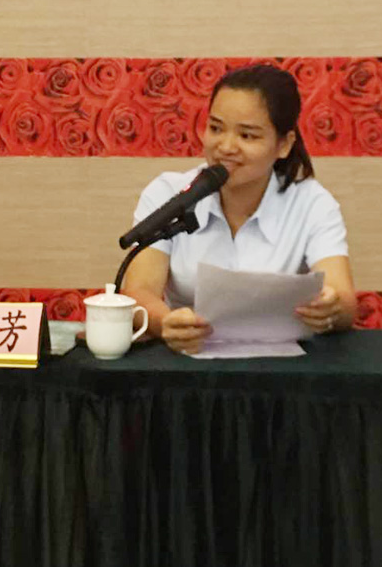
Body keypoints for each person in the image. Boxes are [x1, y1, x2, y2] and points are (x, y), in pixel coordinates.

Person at [122, 63, 357, 354]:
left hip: (281, 366)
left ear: (284, 145)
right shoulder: (169, 193)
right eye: (216, 128)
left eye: (247, 135)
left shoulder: (312, 203)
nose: (226, 147)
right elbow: (138, 291)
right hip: (187, 361)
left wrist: (330, 306)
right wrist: (165, 323)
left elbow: (344, 300)